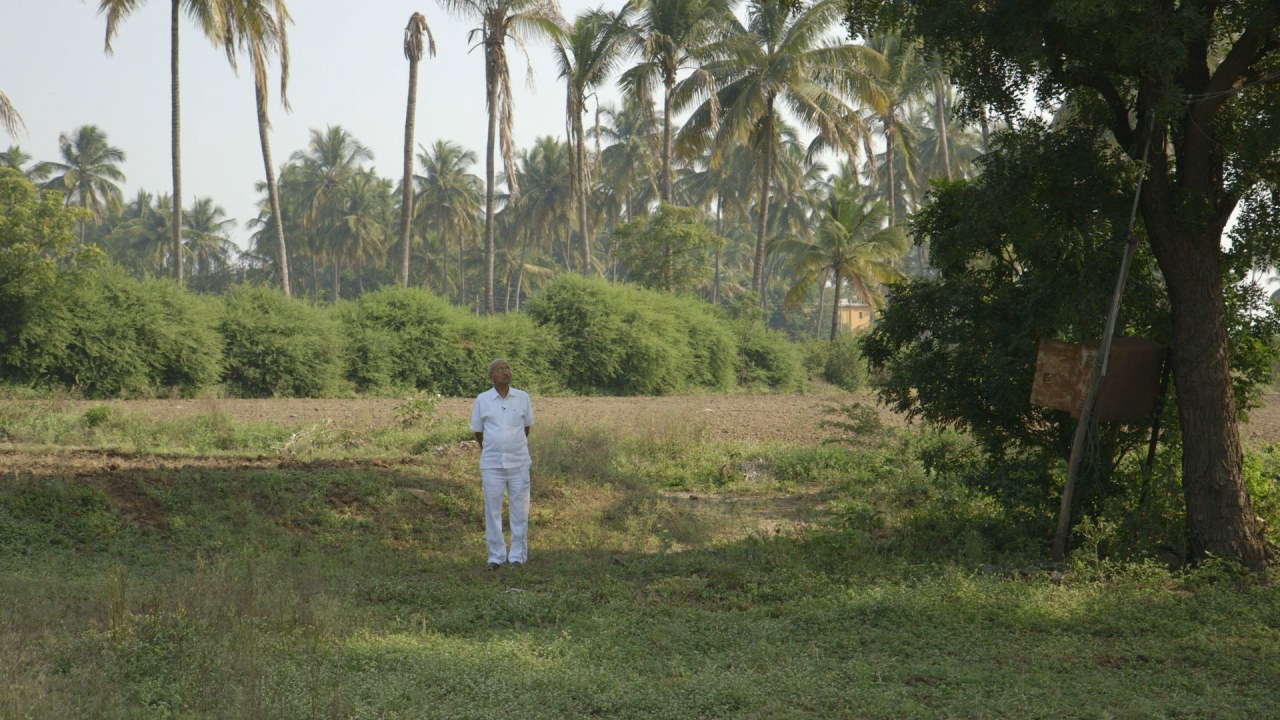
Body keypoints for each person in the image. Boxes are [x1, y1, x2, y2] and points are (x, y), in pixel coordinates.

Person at [469, 358, 535, 570]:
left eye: (508, 368)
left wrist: (512, 447)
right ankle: (495, 557)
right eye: (500, 369)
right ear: (491, 376)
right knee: (492, 511)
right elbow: (478, 431)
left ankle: (518, 556)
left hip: (518, 464)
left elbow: (526, 428)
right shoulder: (482, 400)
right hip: (492, 465)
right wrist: (493, 448)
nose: (506, 372)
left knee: (520, 511)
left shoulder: (522, 398)